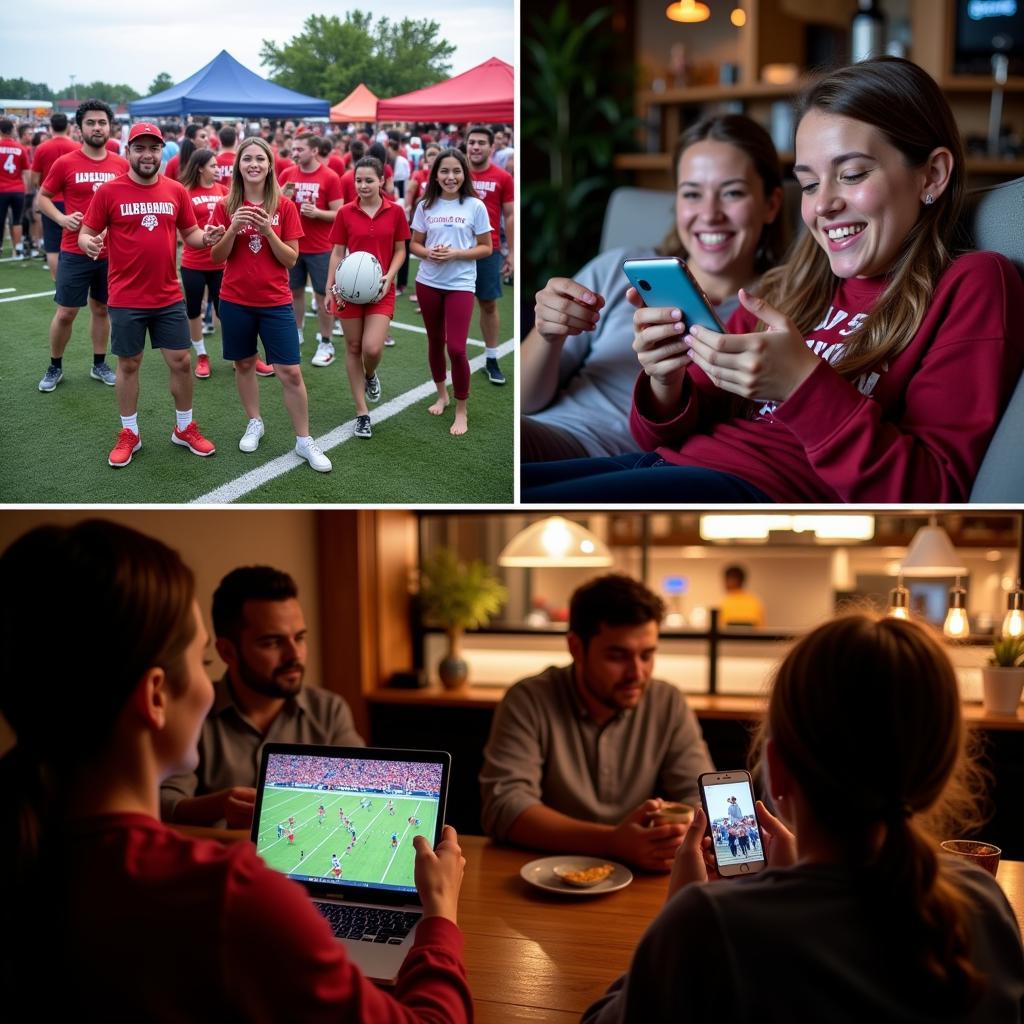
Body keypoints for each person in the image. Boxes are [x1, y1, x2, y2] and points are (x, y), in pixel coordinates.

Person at [0, 519, 472, 1019]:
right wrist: (439, 917)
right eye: (204, 662)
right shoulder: (229, 895)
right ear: (156, 695)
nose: (209, 685)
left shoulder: (28, 851)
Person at [525, 58, 1024, 502]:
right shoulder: (790, 287)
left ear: (932, 175)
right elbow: (656, 436)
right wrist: (665, 379)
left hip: (750, 489)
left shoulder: (973, 283)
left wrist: (803, 384)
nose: (823, 204)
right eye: (809, 183)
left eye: (851, 175)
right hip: (670, 465)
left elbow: (931, 490)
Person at [582, 612, 1024, 1022]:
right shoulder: (983, 901)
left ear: (775, 767)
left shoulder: (705, 924)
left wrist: (673, 918)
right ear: (938, 770)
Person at [521, 114, 784, 462]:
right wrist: (547, 335)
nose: (709, 214)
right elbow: (524, 401)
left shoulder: (783, 310)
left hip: (606, 460)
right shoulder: (620, 268)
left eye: (732, 193)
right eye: (692, 193)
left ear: (771, 204)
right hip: (540, 429)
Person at [479, 574, 714, 873]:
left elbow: (699, 797)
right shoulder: (529, 700)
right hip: (546, 881)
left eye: (647, 655)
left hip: (644, 883)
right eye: (618, 656)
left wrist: (679, 834)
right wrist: (612, 842)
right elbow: (504, 808)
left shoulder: (668, 703)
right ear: (576, 647)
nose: (637, 673)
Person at [161, 564, 363, 827]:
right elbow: (163, 803)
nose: (295, 655)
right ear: (227, 652)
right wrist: (218, 806)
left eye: (299, 638)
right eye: (272, 643)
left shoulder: (329, 711)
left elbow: (360, 792)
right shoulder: (193, 711)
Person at [79, 122, 221, 468]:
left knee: (182, 361)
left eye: (153, 148)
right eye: (140, 148)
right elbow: (86, 233)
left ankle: (184, 427)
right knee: (129, 365)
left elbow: (192, 235)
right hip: (127, 297)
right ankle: (130, 432)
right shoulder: (109, 192)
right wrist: (90, 244)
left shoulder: (175, 190)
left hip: (168, 295)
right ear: (128, 151)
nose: (147, 155)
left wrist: (211, 236)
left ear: (161, 152)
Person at [208, 136, 332, 472]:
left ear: (269, 165)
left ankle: (304, 440)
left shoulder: (285, 206)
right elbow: (217, 256)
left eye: (260, 159)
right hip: (235, 300)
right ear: (238, 165)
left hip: (275, 302)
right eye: (247, 158)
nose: (253, 165)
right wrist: (232, 228)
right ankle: (255, 421)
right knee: (244, 365)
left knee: (290, 371)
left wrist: (268, 231)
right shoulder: (225, 205)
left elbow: (291, 260)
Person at [36, 100, 128, 393]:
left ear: (110, 126)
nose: (97, 127)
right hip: (75, 251)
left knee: (102, 309)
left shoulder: (121, 163)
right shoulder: (65, 162)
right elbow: (43, 198)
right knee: (66, 312)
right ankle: (55, 366)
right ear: (80, 128)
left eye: (102, 122)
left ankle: (99, 363)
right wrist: (62, 219)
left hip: (110, 252)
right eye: (91, 123)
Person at [325, 156, 409, 439]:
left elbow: (400, 250)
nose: (362, 185)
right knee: (352, 346)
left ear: (382, 180)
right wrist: (329, 287)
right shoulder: (345, 213)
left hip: (380, 289)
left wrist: (390, 276)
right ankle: (362, 413)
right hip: (347, 290)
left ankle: (370, 375)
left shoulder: (396, 211)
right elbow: (337, 252)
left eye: (368, 180)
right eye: (358, 180)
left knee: (371, 349)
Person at [411, 148, 492, 437]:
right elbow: (414, 244)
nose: (450, 176)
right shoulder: (426, 206)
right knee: (435, 342)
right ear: (435, 175)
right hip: (428, 282)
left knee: (456, 348)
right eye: (444, 171)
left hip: (460, 284)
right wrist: (428, 253)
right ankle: (441, 394)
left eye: (456, 171)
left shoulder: (474, 206)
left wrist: (457, 253)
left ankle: (461, 409)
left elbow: (486, 248)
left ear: (464, 174)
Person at [278, 132, 343, 363]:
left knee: (324, 295)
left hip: (321, 248)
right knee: (294, 292)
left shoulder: (330, 176)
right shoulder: (287, 173)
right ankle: (297, 331)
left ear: (314, 151)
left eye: (300, 149)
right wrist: (281, 197)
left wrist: (318, 213)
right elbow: (274, 207)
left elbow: (340, 214)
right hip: (292, 246)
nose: (295, 153)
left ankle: (326, 343)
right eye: (293, 149)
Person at [465, 125, 514, 385]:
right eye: (471, 142)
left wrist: (512, 253)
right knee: (453, 304)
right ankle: (452, 356)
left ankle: (492, 358)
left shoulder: (503, 177)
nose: (475, 147)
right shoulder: (455, 173)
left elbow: (510, 215)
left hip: (489, 248)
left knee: (488, 304)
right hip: (457, 250)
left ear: (491, 147)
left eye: (481, 143)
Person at [177, 148, 227, 380]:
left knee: (226, 311)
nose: (218, 169)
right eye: (213, 166)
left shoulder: (224, 191)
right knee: (194, 310)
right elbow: (182, 229)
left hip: (221, 263)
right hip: (194, 263)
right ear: (200, 168)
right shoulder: (185, 192)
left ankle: (240, 355)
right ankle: (201, 355)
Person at [30, 112, 77, 281]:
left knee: (52, 246)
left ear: (50, 128)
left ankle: (59, 282)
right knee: (76, 244)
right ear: (69, 127)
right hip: (73, 202)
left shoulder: (42, 148)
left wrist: (40, 193)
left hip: (49, 201)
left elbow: (34, 178)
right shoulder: (77, 147)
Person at [0, 118, 30, 259]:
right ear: (11, 130)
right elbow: (26, 172)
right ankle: (17, 249)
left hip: (1, 190)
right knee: (17, 220)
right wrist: (27, 189)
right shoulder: (20, 148)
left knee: (1, 219)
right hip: (18, 189)